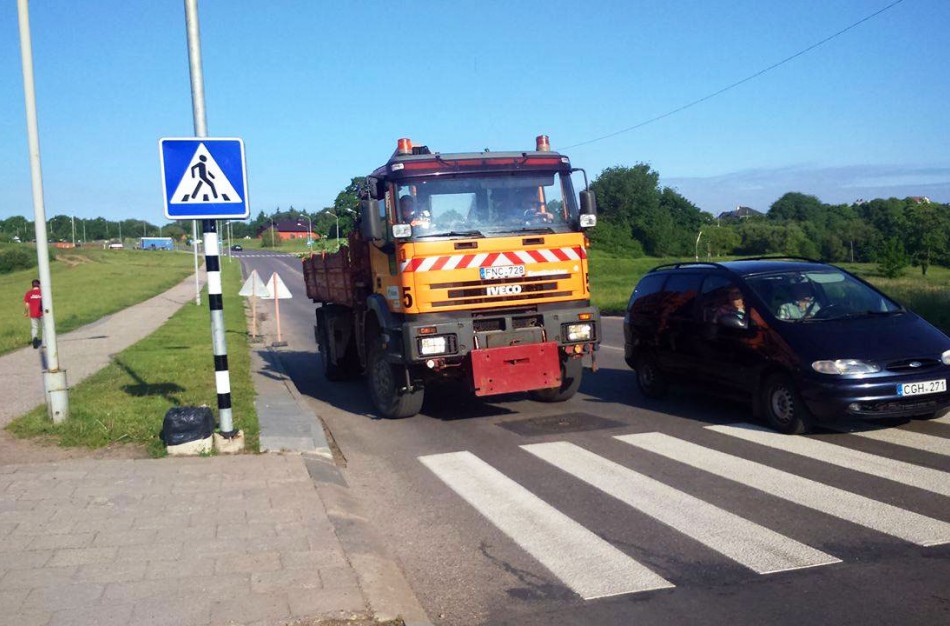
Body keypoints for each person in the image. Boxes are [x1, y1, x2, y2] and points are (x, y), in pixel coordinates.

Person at [23, 279, 43, 349]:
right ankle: (45, 343)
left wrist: (26, 312)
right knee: (44, 328)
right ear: (39, 285)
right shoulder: (42, 292)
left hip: (33, 314)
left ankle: (35, 340)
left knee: (34, 328)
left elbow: (27, 304)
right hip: (42, 313)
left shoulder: (28, 293)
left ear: (32, 285)